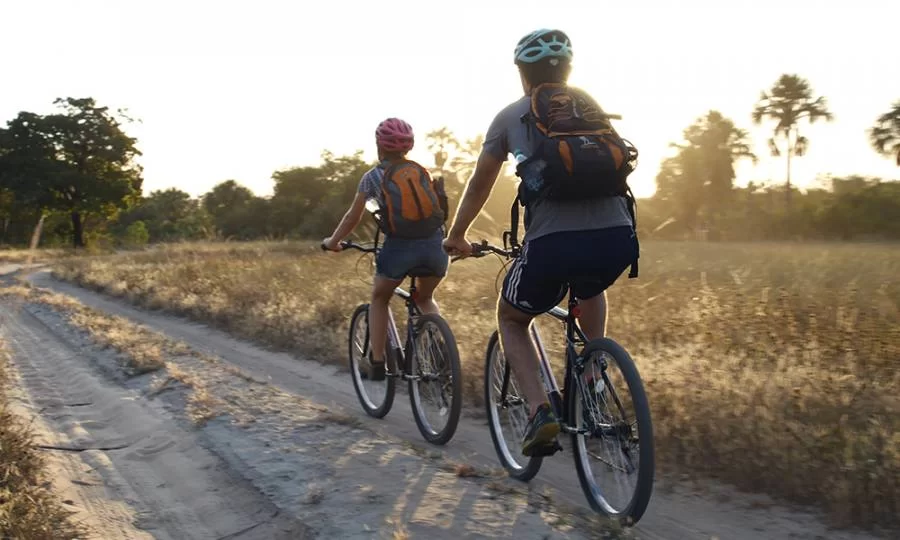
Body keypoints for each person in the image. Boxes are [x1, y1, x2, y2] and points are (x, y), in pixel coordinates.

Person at [442, 29, 640, 456]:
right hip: (619, 237)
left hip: (552, 242)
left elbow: (480, 183)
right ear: (569, 69)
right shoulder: (590, 106)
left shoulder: (510, 116)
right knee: (591, 287)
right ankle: (590, 374)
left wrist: (456, 236)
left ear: (522, 74)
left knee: (511, 318)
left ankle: (538, 412)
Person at [323, 118, 450, 380]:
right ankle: (441, 344)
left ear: (379, 145)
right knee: (424, 298)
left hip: (399, 250)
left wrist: (333, 242)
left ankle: (378, 362)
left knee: (380, 298)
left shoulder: (372, 178)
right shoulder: (421, 172)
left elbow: (352, 217)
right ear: (409, 146)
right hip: (436, 247)